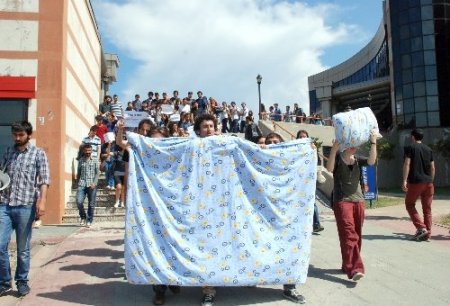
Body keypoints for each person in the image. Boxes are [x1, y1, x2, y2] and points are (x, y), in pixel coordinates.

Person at [0, 121, 50, 297]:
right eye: (15, 134)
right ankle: (4, 282)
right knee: (0, 245)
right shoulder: (8, 152)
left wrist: (42, 201)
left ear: (29, 135)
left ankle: (22, 281)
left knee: (22, 248)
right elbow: (2, 175)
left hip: (26, 205)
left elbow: (44, 180)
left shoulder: (38, 154)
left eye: (20, 134)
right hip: (5, 203)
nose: (17, 137)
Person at [260, 132, 306, 303]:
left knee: (289, 248)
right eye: (269, 142)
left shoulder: (288, 161)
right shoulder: (257, 159)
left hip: (286, 212)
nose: (272, 144)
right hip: (262, 213)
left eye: (276, 142)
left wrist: (308, 151)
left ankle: (290, 287)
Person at [326, 131, 377, 282]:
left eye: (356, 145)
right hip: (342, 201)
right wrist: (334, 149)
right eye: (351, 144)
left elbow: (371, 162)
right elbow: (329, 169)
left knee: (356, 234)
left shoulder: (358, 160)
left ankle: (347, 264)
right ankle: (356, 268)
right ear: (345, 146)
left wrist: (373, 142)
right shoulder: (338, 159)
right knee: (349, 234)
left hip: (359, 201)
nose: (354, 147)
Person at [402, 128, 435, 241]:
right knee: (427, 209)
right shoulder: (429, 149)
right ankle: (427, 233)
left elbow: (407, 163)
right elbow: (432, 167)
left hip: (416, 182)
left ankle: (421, 228)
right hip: (429, 182)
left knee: (409, 204)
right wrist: (431, 180)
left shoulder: (410, 148)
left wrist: (404, 180)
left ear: (413, 137)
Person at [296, 130, 324, 233]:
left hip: (309, 180)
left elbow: (318, 162)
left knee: (312, 201)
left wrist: (314, 151)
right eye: (300, 137)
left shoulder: (312, 148)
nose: (303, 138)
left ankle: (316, 224)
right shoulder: (295, 149)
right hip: (297, 181)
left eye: (305, 136)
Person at [76, 144, 99, 228]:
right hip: (81, 184)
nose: (88, 152)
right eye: (86, 151)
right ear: (84, 151)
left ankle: (89, 220)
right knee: (79, 202)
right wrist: (77, 182)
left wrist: (94, 183)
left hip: (91, 185)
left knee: (91, 204)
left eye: (89, 151)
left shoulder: (95, 160)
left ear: (91, 151)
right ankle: (83, 217)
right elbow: (78, 172)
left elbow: (97, 173)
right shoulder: (81, 160)